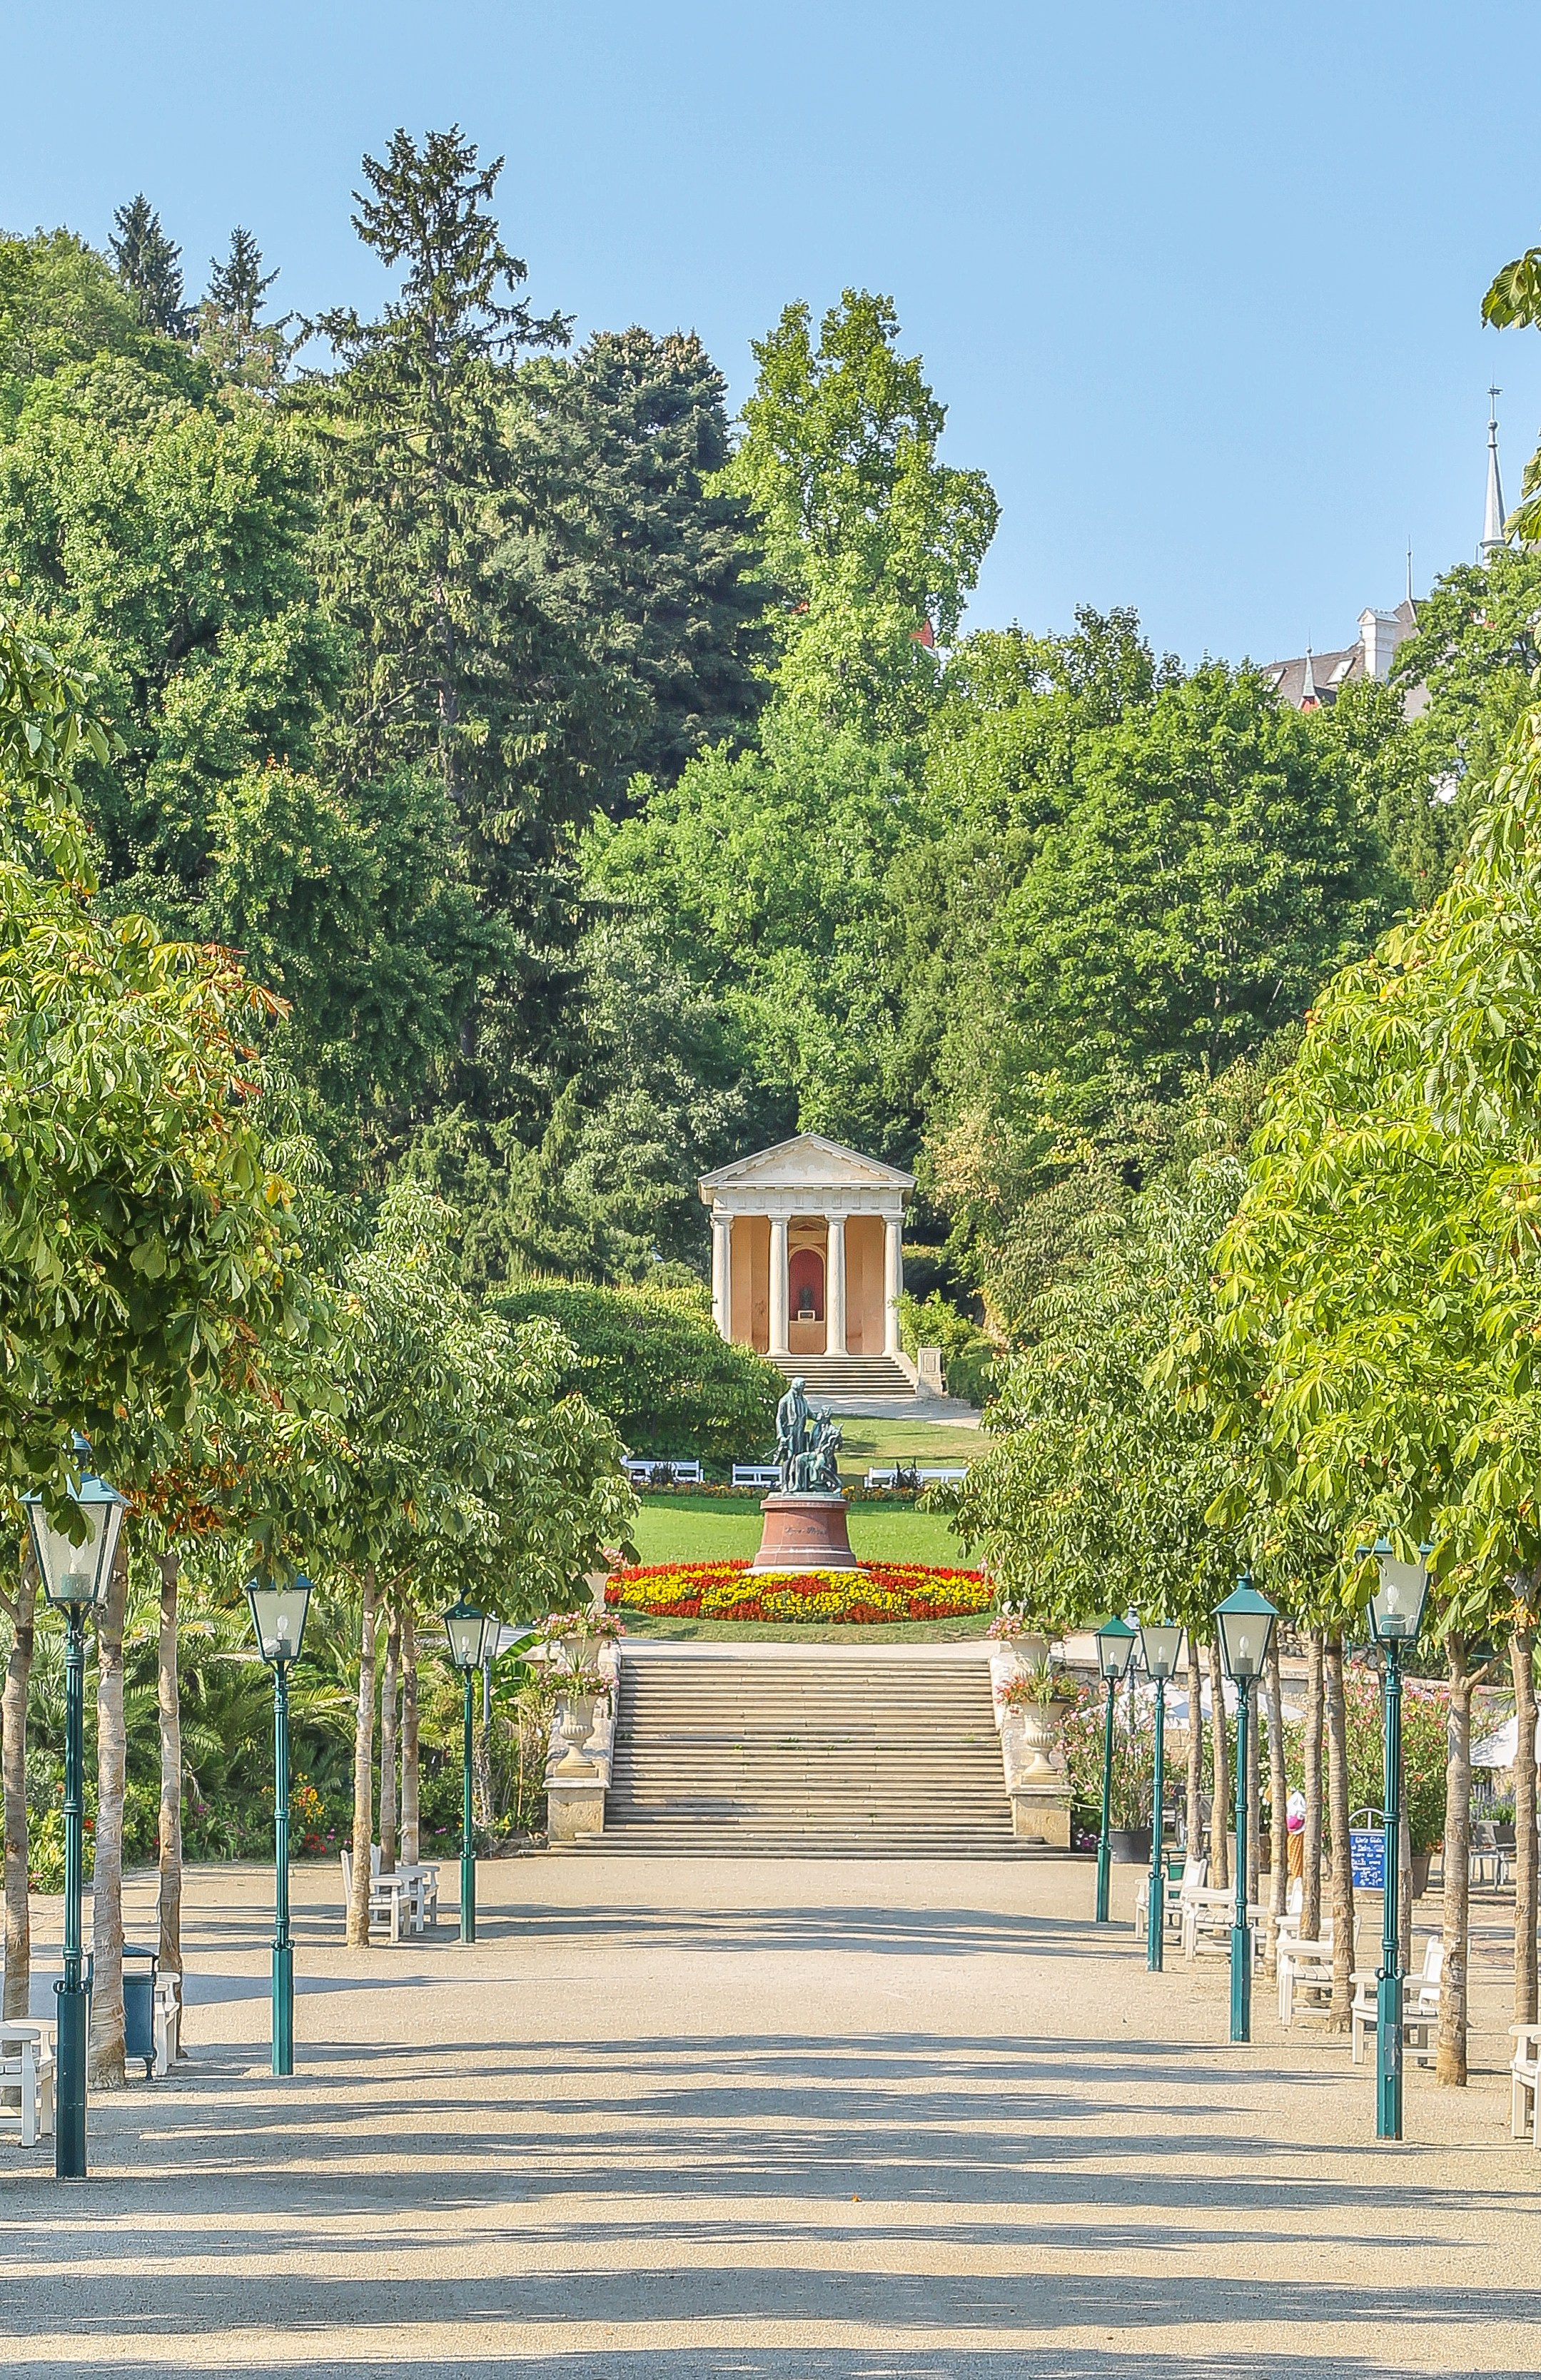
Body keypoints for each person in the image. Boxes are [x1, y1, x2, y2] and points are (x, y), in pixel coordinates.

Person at [774, 1376, 809, 1492]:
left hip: (800, 1432)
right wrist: (781, 1436)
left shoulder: (803, 1400)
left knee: (799, 1458)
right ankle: (784, 1484)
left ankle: (798, 1483)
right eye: (802, 1387)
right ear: (796, 1388)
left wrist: (819, 1418)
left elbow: (809, 1413)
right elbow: (778, 1419)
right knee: (788, 1458)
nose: (803, 1390)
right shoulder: (785, 1400)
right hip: (790, 1432)